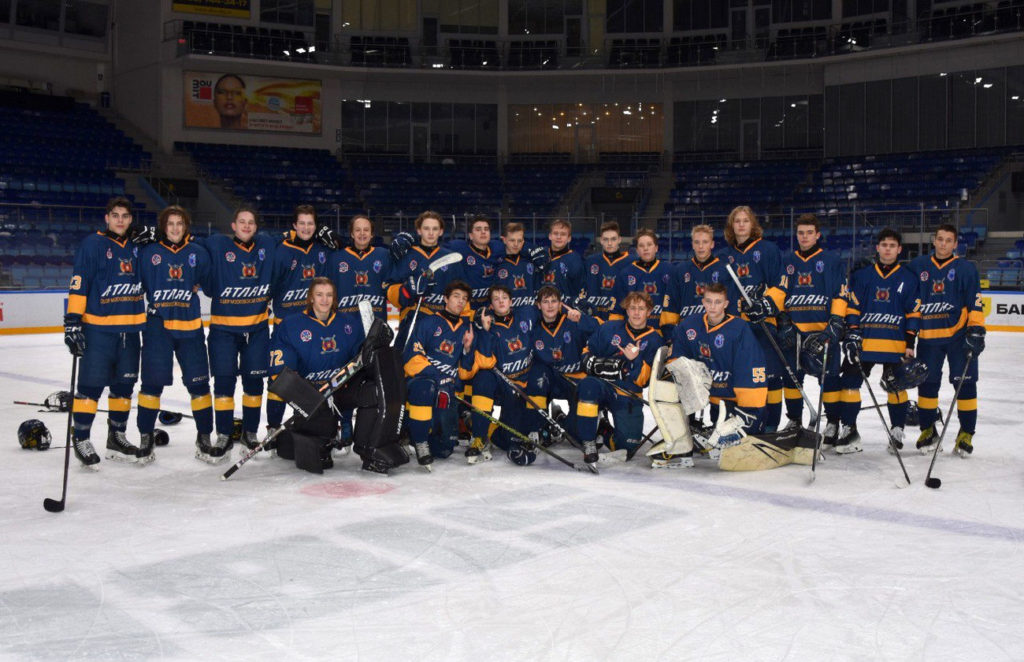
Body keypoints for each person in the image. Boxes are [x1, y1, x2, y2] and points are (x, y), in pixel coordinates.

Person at [268, 277, 408, 474]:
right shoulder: (291, 325)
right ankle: (313, 438)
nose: (324, 300)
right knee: (321, 434)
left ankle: (368, 448)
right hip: (311, 395)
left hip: (341, 389)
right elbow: (282, 374)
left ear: (334, 298)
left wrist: (373, 350)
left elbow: (361, 361)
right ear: (310, 298)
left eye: (329, 295)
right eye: (319, 295)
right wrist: (306, 397)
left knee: (373, 392)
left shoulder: (348, 323)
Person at [63, 196, 146, 467]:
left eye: (125, 216)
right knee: (90, 386)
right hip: (99, 331)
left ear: (131, 220)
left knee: (124, 387)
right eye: (115, 215)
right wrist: (73, 321)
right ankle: (81, 438)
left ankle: (116, 437)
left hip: (130, 331)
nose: (120, 220)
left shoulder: (137, 245)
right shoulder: (92, 244)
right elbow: (79, 282)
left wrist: (151, 233)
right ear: (107, 218)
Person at [750, 213, 846, 442]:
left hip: (823, 331)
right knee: (791, 379)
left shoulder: (832, 261)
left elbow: (840, 293)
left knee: (829, 380)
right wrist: (782, 320)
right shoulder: (787, 261)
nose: (804, 237)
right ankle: (794, 419)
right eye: (801, 233)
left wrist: (836, 322)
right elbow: (780, 293)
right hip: (795, 332)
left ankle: (833, 422)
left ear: (818, 235)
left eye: (809, 233)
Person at [135, 205, 213, 463]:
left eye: (180, 223)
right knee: (151, 384)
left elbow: (210, 282)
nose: (176, 228)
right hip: (158, 326)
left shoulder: (198, 253)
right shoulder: (149, 252)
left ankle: (204, 436)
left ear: (186, 226)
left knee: (199, 385)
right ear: (163, 227)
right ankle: (146, 436)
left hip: (190, 324)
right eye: (170, 224)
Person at [201, 205, 278, 462]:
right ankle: (224, 434)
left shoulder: (266, 245)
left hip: (256, 331)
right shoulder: (218, 245)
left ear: (256, 227)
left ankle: (250, 433)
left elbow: (293, 240)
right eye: (241, 222)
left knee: (254, 384)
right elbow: (187, 247)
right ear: (233, 226)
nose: (246, 226)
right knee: (224, 384)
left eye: (251, 222)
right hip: (223, 332)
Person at [836, 229, 922, 454]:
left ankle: (897, 429)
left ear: (899, 249)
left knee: (896, 385)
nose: (887, 249)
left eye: (892, 245)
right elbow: (853, 308)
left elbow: (913, 313)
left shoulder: (908, 278)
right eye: (884, 245)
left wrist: (910, 344)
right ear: (877, 248)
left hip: (895, 344)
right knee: (849, 383)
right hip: (864, 343)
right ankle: (849, 429)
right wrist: (852, 333)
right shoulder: (862, 276)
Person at [664, 282, 768, 466]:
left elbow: (751, 366)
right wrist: (688, 379)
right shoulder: (690, 325)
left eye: (718, 302)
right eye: (709, 301)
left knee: (739, 441)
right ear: (703, 302)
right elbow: (676, 357)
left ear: (726, 304)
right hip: (712, 400)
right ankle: (690, 435)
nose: (712, 306)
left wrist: (748, 412)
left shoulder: (739, 329)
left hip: (736, 403)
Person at [909, 223, 985, 456]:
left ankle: (966, 433)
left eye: (948, 240)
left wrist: (976, 330)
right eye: (940, 239)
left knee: (965, 384)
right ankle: (927, 429)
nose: (943, 244)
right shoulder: (917, 266)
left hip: (958, 338)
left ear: (955, 244)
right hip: (928, 338)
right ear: (934, 240)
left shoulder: (966, 269)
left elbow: (975, 300)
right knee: (927, 384)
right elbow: (908, 300)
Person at [265, 204, 331, 440]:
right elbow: (270, 284)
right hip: (285, 329)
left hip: (313, 327)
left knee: (312, 378)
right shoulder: (281, 250)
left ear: (316, 226)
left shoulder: (322, 249)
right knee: (279, 378)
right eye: (301, 223)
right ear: (294, 225)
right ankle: (273, 428)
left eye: (310, 223)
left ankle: (309, 426)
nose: (305, 227)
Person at [576, 291, 665, 465]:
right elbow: (587, 353)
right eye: (632, 308)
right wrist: (594, 363)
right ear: (626, 310)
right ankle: (588, 443)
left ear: (649, 311)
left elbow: (644, 381)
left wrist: (635, 360)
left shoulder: (655, 340)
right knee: (588, 385)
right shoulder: (609, 328)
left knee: (627, 447)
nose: (636, 313)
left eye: (641, 308)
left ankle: (604, 430)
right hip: (603, 387)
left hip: (628, 395)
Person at [718, 206, 786, 431]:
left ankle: (771, 426)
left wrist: (765, 305)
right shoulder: (724, 256)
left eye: (745, 220)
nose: (741, 225)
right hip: (734, 328)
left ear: (753, 224)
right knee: (737, 377)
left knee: (771, 377)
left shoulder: (768, 250)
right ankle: (738, 425)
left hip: (762, 324)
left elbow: (780, 284)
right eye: (736, 221)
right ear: (731, 226)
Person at [402, 280, 483, 468]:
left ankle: (419, 433)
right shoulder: (428, 322)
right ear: (445, 299)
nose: (460, 301)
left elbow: (465, 374)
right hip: (422, 383)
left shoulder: (467, 329)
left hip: (448, 390)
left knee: (444, 450)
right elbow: (411, 359)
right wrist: (439, 376)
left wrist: (468, 349)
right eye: (456, 296)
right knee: (425, 388)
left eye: (464, 298)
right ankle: (420, 441)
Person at [467, 285, 542, 465]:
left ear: (511, 301)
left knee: (511, 437)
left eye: (504, 298)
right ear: (491, 305)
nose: (501, 301)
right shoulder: (488, 327)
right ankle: (478, 436)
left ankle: (489, 429)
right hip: (502, 384)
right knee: (483, 379)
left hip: (521, 387)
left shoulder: (526, 315)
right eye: (496, 299)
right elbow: (484, 362)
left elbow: (550, 311)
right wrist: (485, 331)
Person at [528, 285, 600, 449]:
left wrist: (582, 319)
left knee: (576, 437)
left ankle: (560, 420)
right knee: (537, 377)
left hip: (574, 379)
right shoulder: (534, 329)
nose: (550, 306)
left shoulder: (572, 322)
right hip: (550, 380)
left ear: (560, 304)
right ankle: (540, 426)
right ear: (538, 305)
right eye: (545, 301)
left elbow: (600, 330)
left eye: (554, 301)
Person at [386, 211, 465, 348]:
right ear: (419, 230)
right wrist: (405, 291)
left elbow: (462, 293)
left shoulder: (451, 259)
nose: (431, 233)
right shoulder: (406, 256)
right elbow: (390, 289)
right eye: (426, 228)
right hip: (411, 322)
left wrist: (465, 322)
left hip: (442, 323)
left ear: (441, 232)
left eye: (435, 229)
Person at [660, 224, 737, 339]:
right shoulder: (680, 270)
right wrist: (670, 338)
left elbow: (732, 307)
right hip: (687, 334)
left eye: (705, 242)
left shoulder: (724, 270)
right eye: (697, 242)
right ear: (692, 244)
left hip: (716, 333)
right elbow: (671, 307)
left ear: (712, 244)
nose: (701, 246)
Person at [607, 228, 672, 330]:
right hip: (633, 333)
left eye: (649, 244)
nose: (645, 248)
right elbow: (617, 310)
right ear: (637, 250)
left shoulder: (669, 270)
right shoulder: (626, 273)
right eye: (641, 246)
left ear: (656, 248)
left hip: (662, 333)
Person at [333, 214, 392, 321]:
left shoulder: (384, 255)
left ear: (372, 234)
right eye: (357, 230)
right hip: (346, 323)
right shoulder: (337, 258)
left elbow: (392, 287)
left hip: (376, 323)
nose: (362, 233)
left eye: (366, 230)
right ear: (352, 234)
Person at [446, 214, 504, 316]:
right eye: (478, 229)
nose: (483, 232)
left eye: (486, 229)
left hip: (489, 309)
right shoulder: (460, 248)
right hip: (467, 310)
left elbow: (517, 245)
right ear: (471, 236)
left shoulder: (497, 248)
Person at [582, 221, 631, 320]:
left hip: (621, 321)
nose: (609, 243)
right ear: (601, 240)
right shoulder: (591, 261)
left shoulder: (631, 262)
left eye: (613, 239)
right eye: (606, 239)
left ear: (619, 240)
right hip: (594, 319)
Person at [494, 221, 541, 321]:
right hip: (506, 318)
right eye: (512, 240)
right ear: (504, 240)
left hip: (530, 316)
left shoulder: (531, 262)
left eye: (519, 241)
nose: (516, 244)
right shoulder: (496, 264)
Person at [538, 218, 584, 302]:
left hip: (565, 307)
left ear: (569, 238)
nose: (558, 237)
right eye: (555, 233)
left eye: (563, 234)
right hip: (541, 306)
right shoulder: (539, 254)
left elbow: (580, 289)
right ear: (550, 236)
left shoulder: (576, 260)